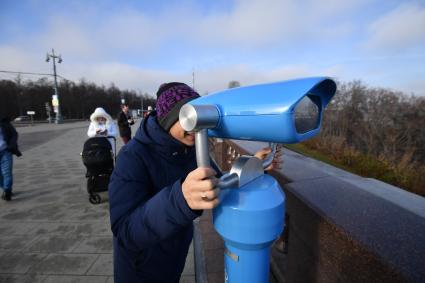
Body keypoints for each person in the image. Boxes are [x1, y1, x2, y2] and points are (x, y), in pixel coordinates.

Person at [108, 82, 282, 282]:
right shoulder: (132, 156)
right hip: (140, 269)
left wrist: (253, 164)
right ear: (167, 118)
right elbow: (124, 231)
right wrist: (180, 199)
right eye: (188, 117)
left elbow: (217, 181)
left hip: (173, 259)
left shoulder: (189, 149)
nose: (196, 126)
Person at [0, 116, 22, 201]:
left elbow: (14, 134)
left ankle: (7, 191)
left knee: (7, 172)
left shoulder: (4, 123)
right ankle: (5, 189)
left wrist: (11, 145)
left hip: (5, 151)